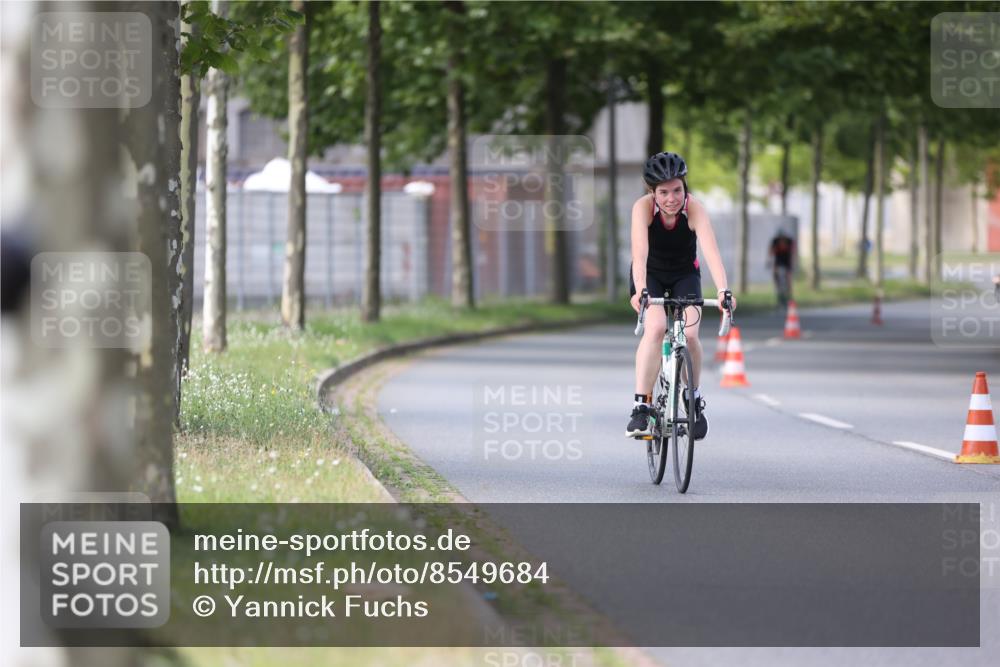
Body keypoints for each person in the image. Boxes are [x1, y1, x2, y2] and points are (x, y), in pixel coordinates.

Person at [626, 152, 735, 440]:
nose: (672, 198)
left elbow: (711, 252)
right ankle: (641, 405)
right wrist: (640, 290)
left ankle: (693, 396)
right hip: (650, 274)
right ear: (653, 192)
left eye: (677, 190)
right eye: (663, 192)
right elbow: (639, 254)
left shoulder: (694, 209)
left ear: (685, 187)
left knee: (690, 334)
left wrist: (723, 291)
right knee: (656, 326)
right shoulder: (643, 209)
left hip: (685, 273)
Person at [768, 228, 795, 309]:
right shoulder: (775, 241)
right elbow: (771, 251)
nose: (782, 241)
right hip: (778, 264)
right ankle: (780, 299)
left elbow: (793, 253)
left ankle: (789, 299)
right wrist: (769, 262)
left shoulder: (789, 241)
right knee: (777, 281)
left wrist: (793, 263)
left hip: (787, 264)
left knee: (788, 282)